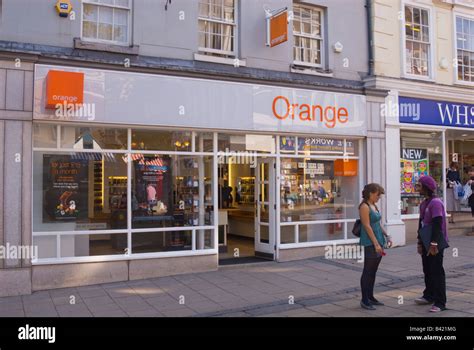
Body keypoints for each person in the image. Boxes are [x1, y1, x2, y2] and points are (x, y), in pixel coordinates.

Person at [414, 176, 448, 312]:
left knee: (437, 271)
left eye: (419, 186)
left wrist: (434, 243)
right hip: (425, 239)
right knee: (427, 269)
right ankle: (429, 295)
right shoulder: (424, 203)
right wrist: (419, 242)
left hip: (435, 241)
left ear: (426, 187)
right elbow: (420, 223)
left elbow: (437, 223)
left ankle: (440, 302)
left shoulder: (436, 203)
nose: (417, 188)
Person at [359, 183, 392, 310]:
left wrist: (386, 235)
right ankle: (364, 299)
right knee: (368, 270)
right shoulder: (364, 206)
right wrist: (375, 244)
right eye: (378, 195)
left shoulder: (374, 205)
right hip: (370, 242)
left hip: (378, 239)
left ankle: (370, 296)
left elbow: (377, 223)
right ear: (371, 193)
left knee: (373, 271)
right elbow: (367, 226)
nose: (379, 197)